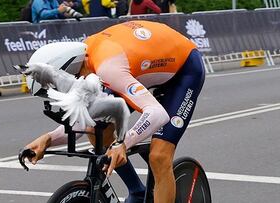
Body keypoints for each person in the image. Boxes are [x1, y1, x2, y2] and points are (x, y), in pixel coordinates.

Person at [22, 20, 205, 203]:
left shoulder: (108, 68)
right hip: (144, 67)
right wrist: (48, 139)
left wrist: (122, 144)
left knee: (159, 156)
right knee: (96, 130)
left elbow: (157, 114)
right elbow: (85, 119)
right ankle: (137, 191)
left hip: (184, 70)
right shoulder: (84, 62)